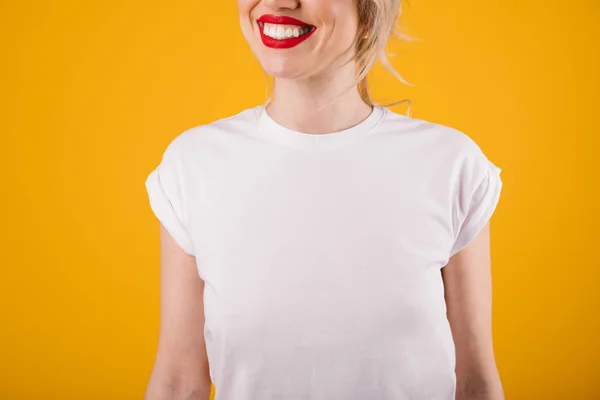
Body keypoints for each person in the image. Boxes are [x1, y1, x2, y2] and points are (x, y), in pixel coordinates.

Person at [143, 0, 505, 399]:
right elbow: (179, 381)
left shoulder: (451, 165)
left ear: (369, 10)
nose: (280, 2)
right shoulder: (193, 166)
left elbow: (475, 380)